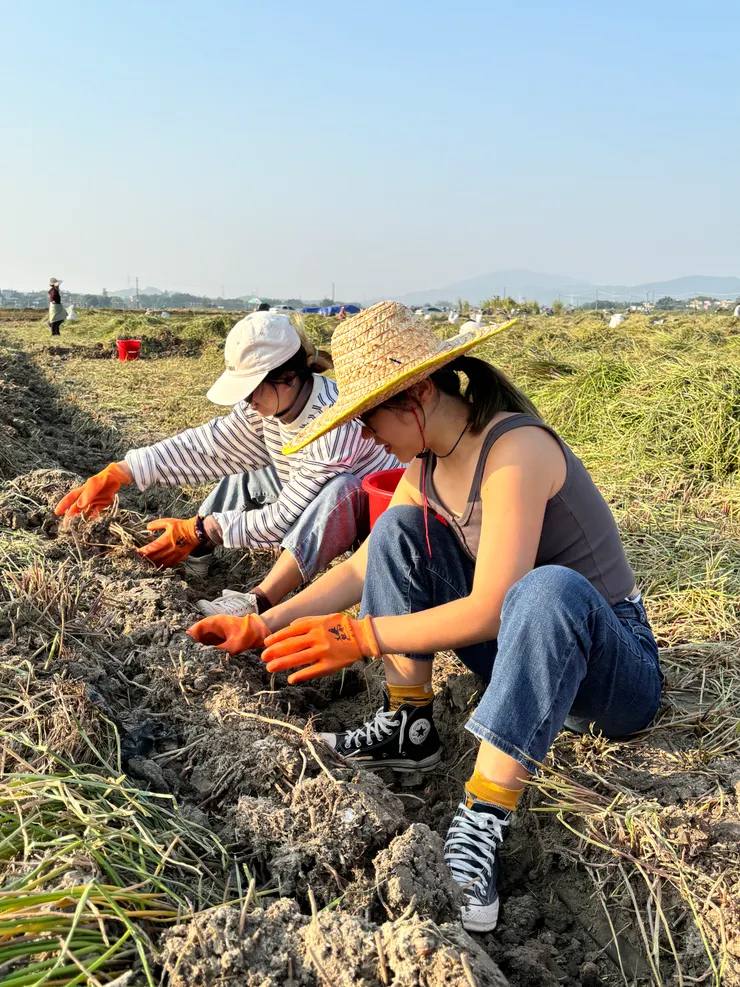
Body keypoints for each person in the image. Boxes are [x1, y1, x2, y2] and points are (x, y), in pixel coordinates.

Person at [187, 301, 663, 933]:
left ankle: (484, 817)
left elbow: (496, 605)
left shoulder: (516, 449)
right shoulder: (428, 466)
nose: (363, 435)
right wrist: (261, 620)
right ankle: (409, 725)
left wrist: (361, 634)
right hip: (527, 655)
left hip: (610, 668)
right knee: (396, 532)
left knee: (547, 589)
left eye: (369, 415)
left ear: (414, 396)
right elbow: (359, 570)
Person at [55, 311, 397, 617]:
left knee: (340, 490)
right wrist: (123, 471)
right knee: (248, 470)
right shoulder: (271, 404)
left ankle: (257, 600)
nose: (247, 400)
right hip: (304, 491)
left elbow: (283, 522)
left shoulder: (332, 423)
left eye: (252, 390)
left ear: (289, 376)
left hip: (366, 518)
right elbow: (211, 446)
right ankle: (197, 553)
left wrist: (203, 526)